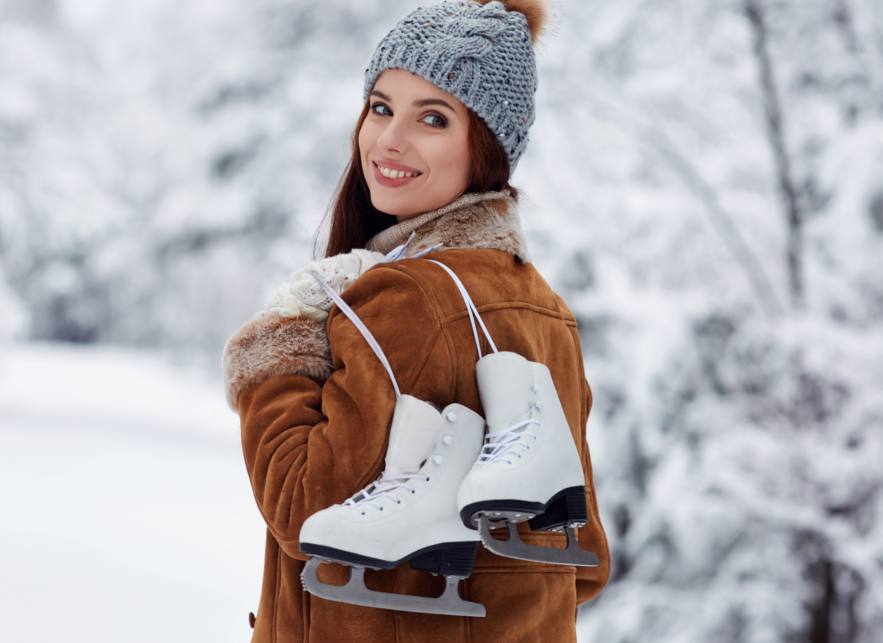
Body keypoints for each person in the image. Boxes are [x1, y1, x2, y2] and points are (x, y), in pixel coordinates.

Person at [222, 0, 611, 641]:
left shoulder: (406, 299)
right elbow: (581, 560)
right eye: (381, 107)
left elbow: (306, 512)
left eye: (433, 118)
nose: (390, 140)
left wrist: (281, 344)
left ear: (485, 146)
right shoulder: (545, 311)